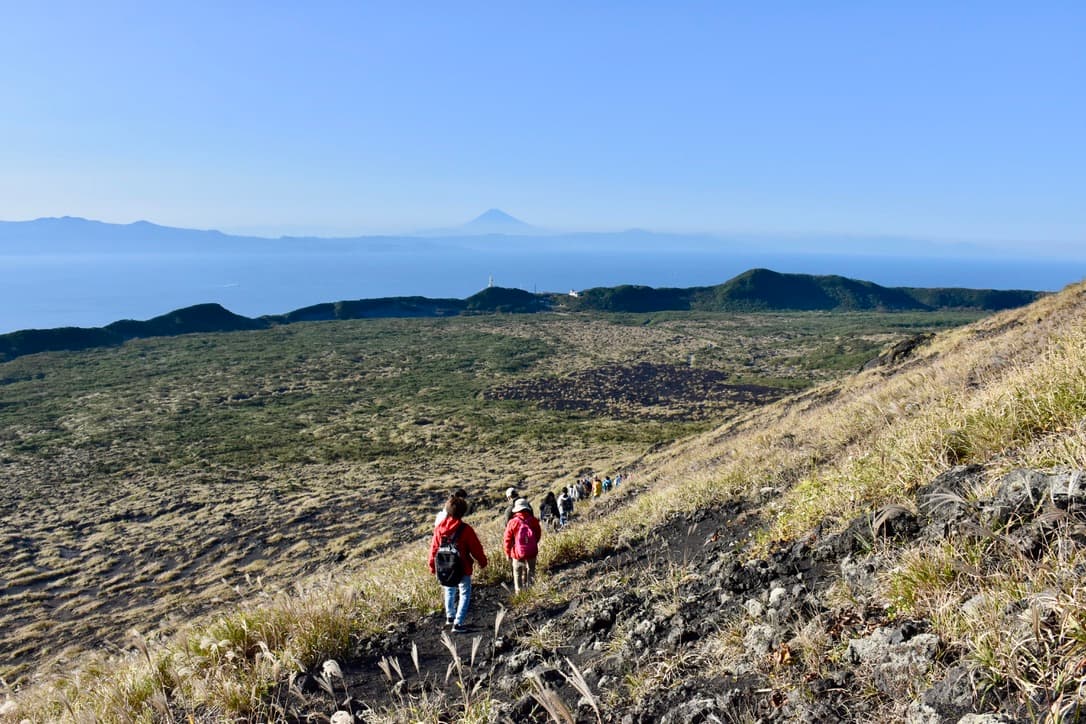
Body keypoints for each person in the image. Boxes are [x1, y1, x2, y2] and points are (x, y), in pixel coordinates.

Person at [429, 496, 487, 633]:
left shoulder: (438, 530)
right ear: (462, 512)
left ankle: (450, 617)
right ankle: (458, 623)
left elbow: (433, 550)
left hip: (444, 568)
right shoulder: (466, 529)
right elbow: (476, 548)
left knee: (449, 590)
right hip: (463, 567)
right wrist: (482, 562)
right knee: (465, 593)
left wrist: (432, 566)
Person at [503, 498, 541, 594]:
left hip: (517, 553)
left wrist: (507, 553)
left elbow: (507, 539)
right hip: (532, 551)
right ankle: (531, 591)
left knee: (517, 573)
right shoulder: (533, 520)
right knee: (531, 571)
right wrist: (532, 543)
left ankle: (519, 593)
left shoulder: (512, 522)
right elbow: (538, 534)